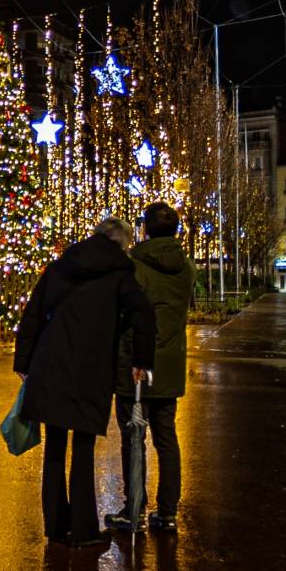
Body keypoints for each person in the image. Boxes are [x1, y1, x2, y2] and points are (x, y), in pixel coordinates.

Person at [14, 217, 155, 549]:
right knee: (83, 447)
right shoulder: (121, 275)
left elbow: (33, 314)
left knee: (54, 447)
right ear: (121, 245)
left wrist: (23, 363)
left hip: (50, 365)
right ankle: (84, 530)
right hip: (90, 368)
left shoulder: (61, 267)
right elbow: (144, 316)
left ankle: (55, 525)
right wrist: (141, 361)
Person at [108, 202, 195, 535]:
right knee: (166, 438)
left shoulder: (133, 267)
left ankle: (134, 510)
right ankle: (168, 512)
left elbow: (123, 314)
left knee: (134, 438)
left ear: (144, 229)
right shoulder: (186, 268)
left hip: (136, 364)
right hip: (169, 366)